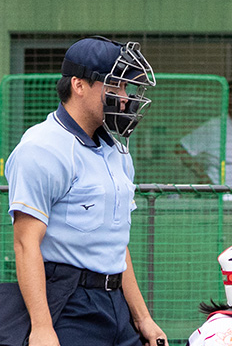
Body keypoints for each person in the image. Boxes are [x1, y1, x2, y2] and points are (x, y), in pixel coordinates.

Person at [0, 37, 165, 346]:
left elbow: (115, 245)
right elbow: (25, 244)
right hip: (67, 303)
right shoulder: (41, 147)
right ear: (78, 85)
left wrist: (143, 318)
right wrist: (42, 328)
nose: (126, 98)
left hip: (116, 305)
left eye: (127, 89)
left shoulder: (118, 152)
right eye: (116, 87)